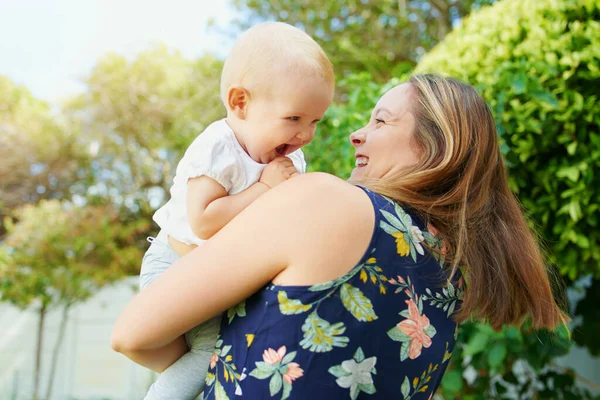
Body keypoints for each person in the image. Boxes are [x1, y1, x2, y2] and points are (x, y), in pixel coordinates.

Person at [112, 74, 567, 399]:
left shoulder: (325, 199)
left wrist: (200, 366)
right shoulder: (448, 277)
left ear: (433, 148)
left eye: (381, 122)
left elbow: (134, 333)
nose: (356, 134)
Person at [134, 22, 334, 399]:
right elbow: (205, 221)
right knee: (209, 354)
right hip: (174, 265)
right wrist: (263, 188)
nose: (305, 135)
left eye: (314, 122)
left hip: (217, 278)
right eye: (293, 119)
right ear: (240, 102)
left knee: (227, 353)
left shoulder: (291, 158)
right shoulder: (219, 146)